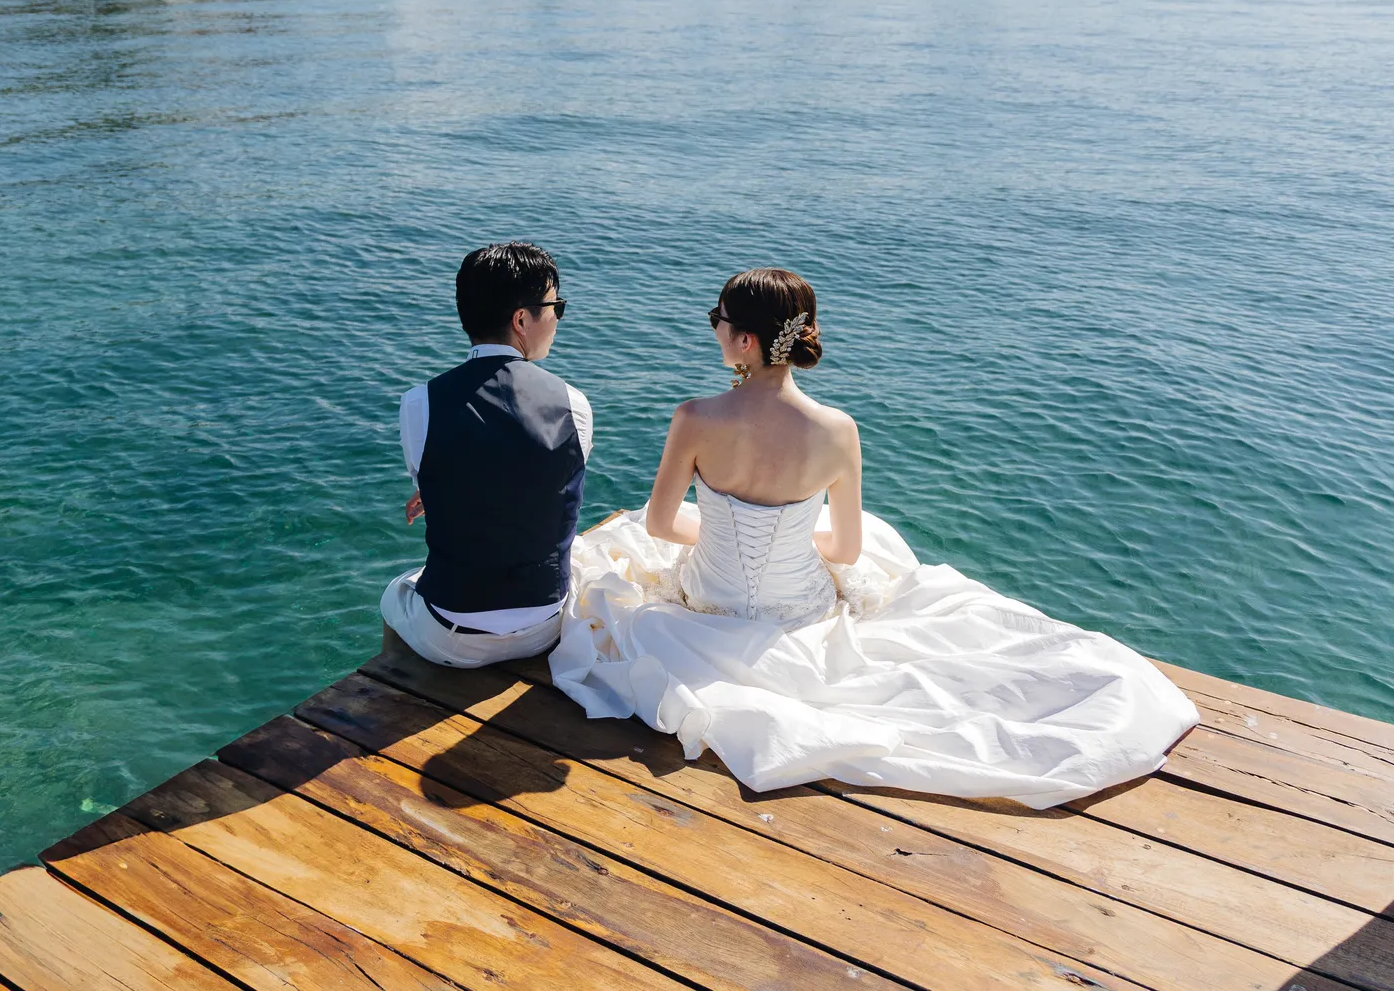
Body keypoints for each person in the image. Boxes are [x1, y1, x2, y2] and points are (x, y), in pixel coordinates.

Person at [549, 267, 1199, 808]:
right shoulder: (837, 430)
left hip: (708, 600)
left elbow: (663, 526)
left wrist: (717, 528)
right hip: (797, 608)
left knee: (631, 545)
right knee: (870, 546)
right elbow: (847, 550)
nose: (714, 329)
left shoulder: (695, 418)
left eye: (717, 319)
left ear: (744, 340)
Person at [380, 242, 591, 668]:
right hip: (544, 625)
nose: (556, 318)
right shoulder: (574, 404)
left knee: (395, 594)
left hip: (452, 637)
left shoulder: (419, 403)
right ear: (520, 320)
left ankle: (398, 687)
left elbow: (438, 475)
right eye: (555, 306)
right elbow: (549, 488)